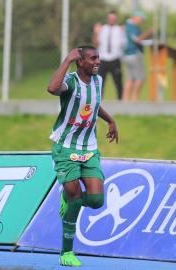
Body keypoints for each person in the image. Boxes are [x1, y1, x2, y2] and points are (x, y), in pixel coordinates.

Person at [47, 46, 118, 267]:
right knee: (75, 197)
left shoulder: (97, 81)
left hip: (90, 148)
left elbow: (93, 105)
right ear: (80, 62)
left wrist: (111, 120)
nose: (98, 61)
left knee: (96, 201)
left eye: (98, 58)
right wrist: (67, 59)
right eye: (93, 58)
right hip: (66, 148)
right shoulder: (70, 81)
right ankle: (66, 253)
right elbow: (52, 88)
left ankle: (70, 200)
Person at [93, 10, 125, 100]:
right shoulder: (102, 29)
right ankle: (98, 102)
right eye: (110, 18)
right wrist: (96, 33)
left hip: (115, 59)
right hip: (102, 59)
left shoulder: (120, 30)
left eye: (114, 18)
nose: (112, 20)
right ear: (107, 19)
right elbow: (95, 43)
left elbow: (124, 44)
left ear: (116, 19)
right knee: (99, 82)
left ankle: (120, 101)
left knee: (118, 82)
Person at [122, 10, 153, 102]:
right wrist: (148, 32)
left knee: (130, 78)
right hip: (134, 55)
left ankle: (125, 100)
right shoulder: (132, 26)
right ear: (136, 18)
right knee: (140, 77)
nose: (142, 21)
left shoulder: (127, 25)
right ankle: (134, 99)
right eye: (142, 19)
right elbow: (137, 39)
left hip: (127, 55)